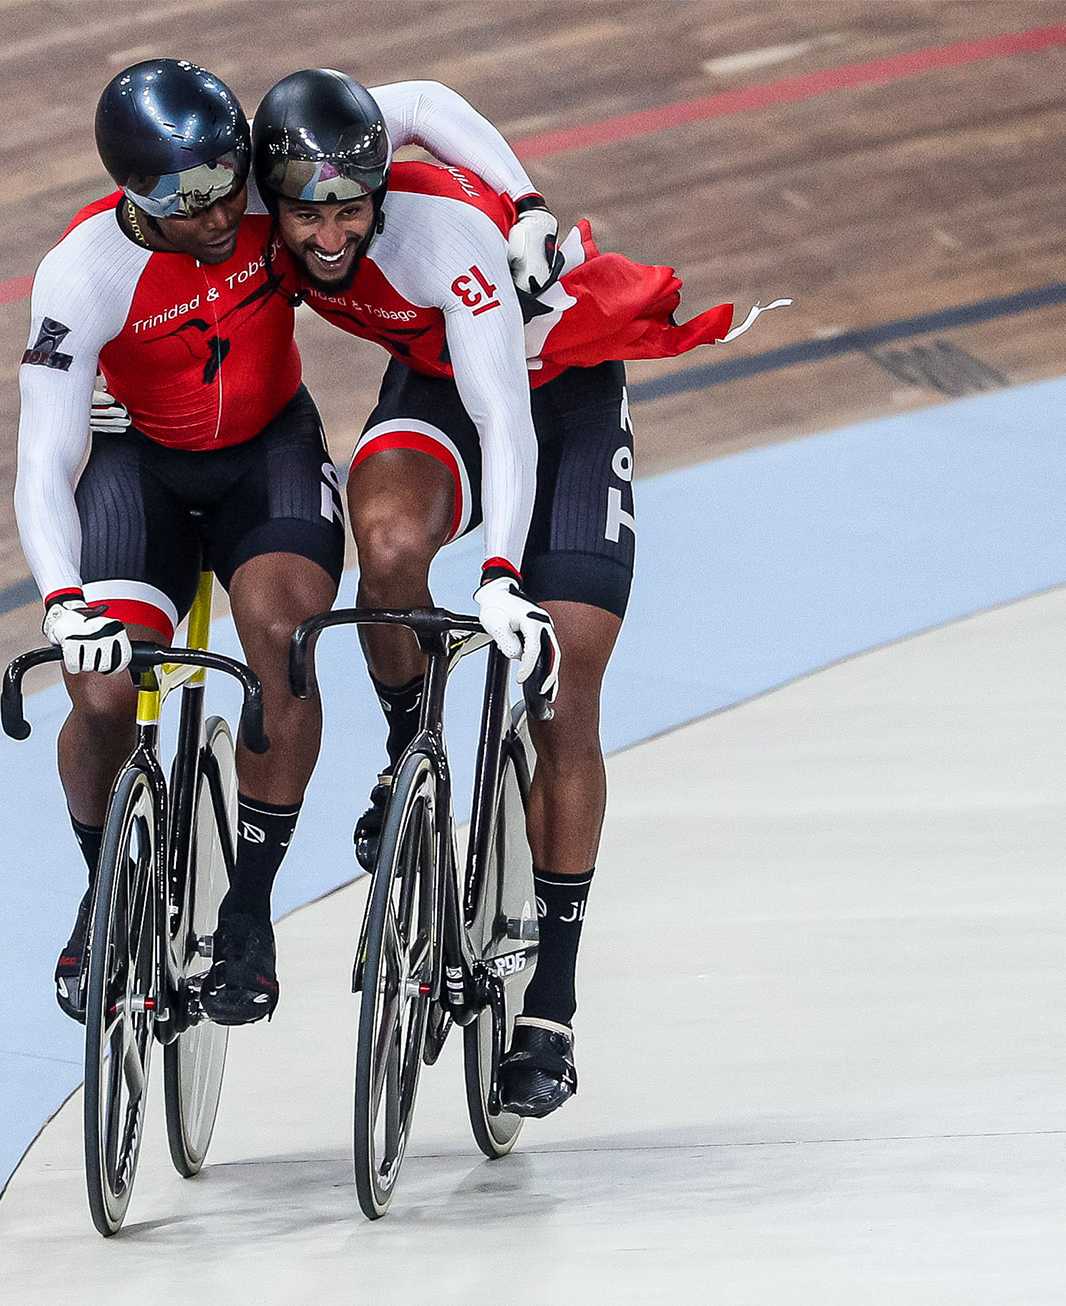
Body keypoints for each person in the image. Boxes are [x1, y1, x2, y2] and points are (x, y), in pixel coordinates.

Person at [249, 68, 781, 1110]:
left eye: (348, 209)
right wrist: (529, 195)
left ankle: (552, 1003)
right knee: (390, 545)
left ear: (380, 198)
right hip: (441, 379)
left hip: (557, 400)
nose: (326, 234)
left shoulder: (440, 237)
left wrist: (499, 573)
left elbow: (508, 426)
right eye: (307, 211)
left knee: (559, 687)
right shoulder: (306, 181)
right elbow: (414, 97)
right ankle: (412, 754)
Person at [16, 59, 558, 1027]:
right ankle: (107, 887)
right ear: (129, 191)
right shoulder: (82, 272)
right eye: (184, 198)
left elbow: (418, 105)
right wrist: (63, 601)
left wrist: (522, 204)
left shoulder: (290, 180)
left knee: (287, 641)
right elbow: (42, 456)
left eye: (228, 178)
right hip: (133, 466)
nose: (219, 211)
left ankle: (247, 912)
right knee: (100, 688)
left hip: (267, 454)